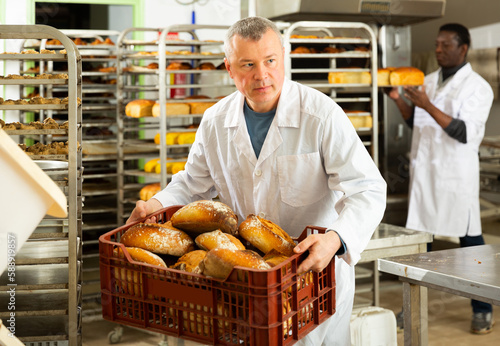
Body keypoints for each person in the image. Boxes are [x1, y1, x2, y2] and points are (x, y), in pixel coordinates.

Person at [127, 16, 387, 345]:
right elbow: (192, 183)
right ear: (229, 68)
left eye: (270, 61)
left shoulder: (321, 116)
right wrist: (155, 204)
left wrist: (336, 238)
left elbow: (368, 189)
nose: (261, 75)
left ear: (284, 57)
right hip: (242, 280)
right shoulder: (215, 121)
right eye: (248, 64)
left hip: (313, 280)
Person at [387, 23, 494, 334]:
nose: (438, 49)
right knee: (420, 248)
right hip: (425, 178)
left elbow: (462, 132)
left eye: (446, 45)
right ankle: (409, 310)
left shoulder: (477, 87)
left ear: (463, 48)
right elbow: (416, 125)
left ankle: (483, 308)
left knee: (470, 245)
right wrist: (398, 99)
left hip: (455, 178)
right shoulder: (428, 82)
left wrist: (426, 104)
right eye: (437, 44)